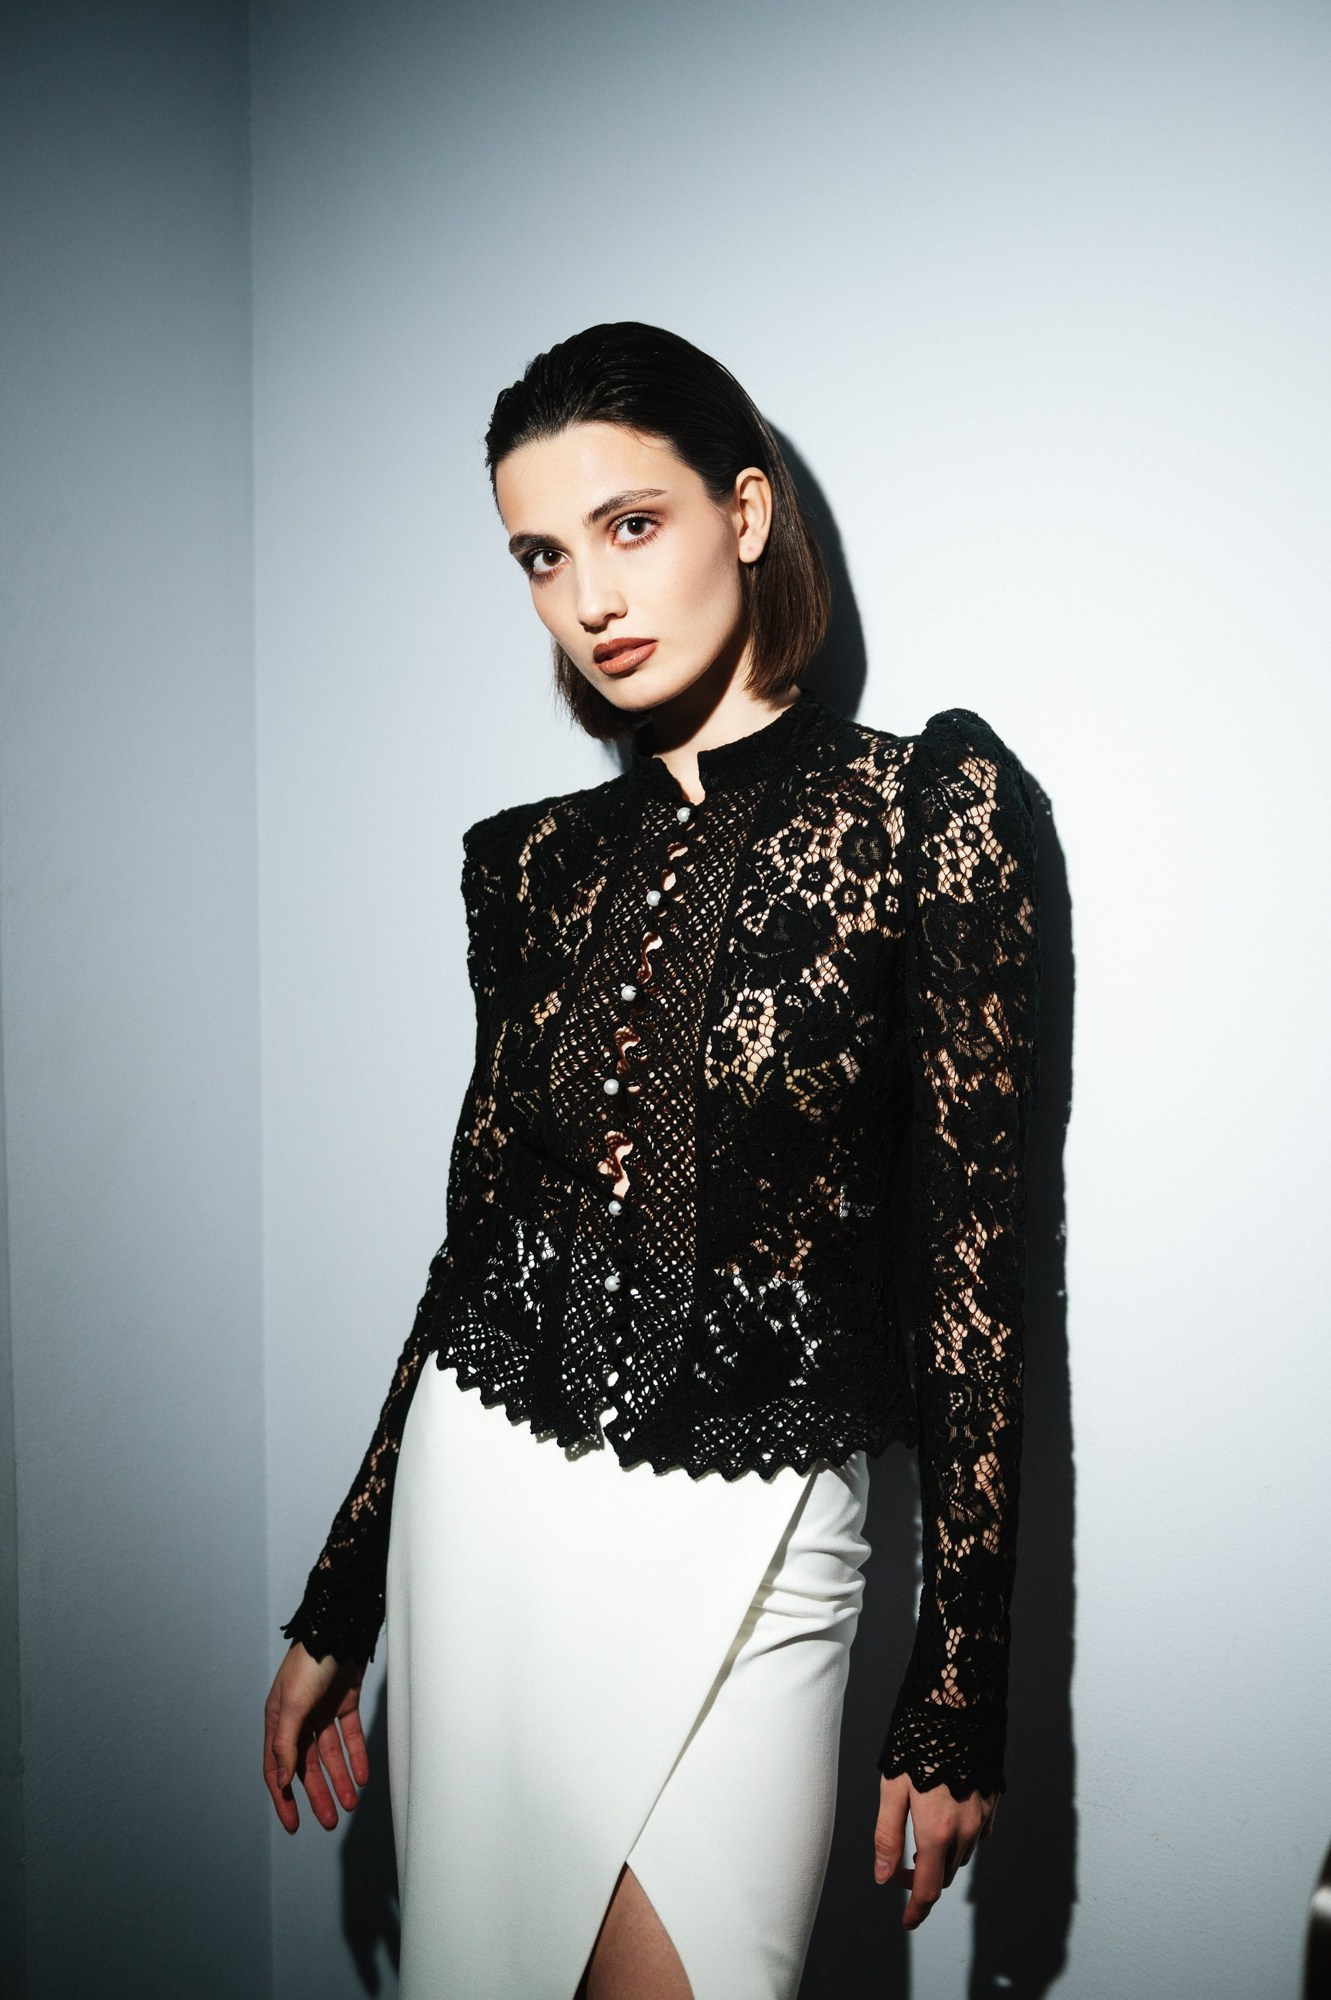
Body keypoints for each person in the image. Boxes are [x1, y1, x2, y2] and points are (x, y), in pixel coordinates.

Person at [262, 321, 1040, 2000]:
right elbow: (474, 1246)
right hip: (489, 1513)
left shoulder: (931, 813)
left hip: (770, 1530)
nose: (590, 597)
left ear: (743, 514)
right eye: (542, 556)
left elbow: (979, 1273)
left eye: (631, 525)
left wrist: (960, 1677)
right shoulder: (526, 867)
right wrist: (341, 1601)